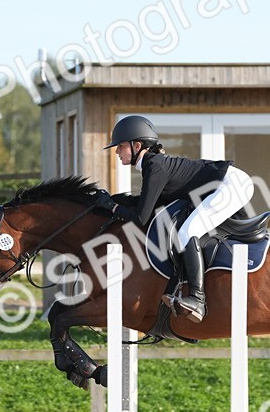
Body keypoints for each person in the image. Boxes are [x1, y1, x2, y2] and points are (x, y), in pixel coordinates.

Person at [102, 114, 254, 323]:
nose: (117, 151)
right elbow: (148, 204)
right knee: (187, 231)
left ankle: (197, 299)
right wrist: (114, 202)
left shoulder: (155, 166)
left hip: (232, 185)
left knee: (187, 232)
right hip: (226, 184)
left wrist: (113, 208)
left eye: (120, 146)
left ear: (137, 145)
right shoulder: (152, 165)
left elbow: (141, 218)